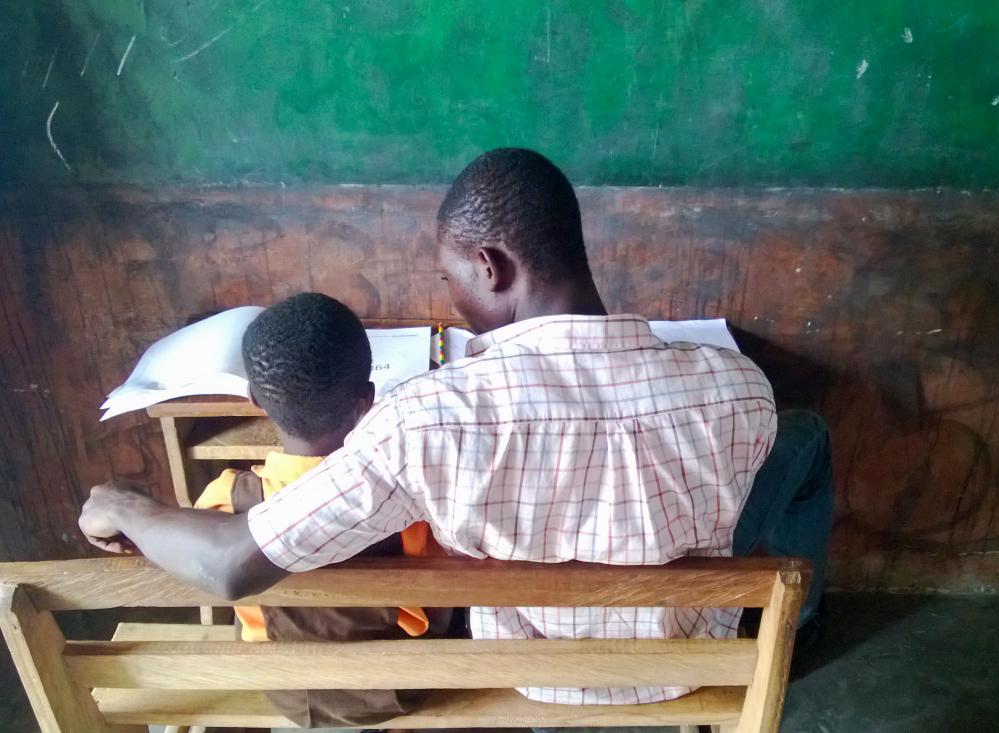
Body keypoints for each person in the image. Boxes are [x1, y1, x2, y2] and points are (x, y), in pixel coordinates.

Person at [80, 148, 831, 707]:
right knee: (805, 438)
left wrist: (125, 505)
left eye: (451, 277)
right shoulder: (737, 386)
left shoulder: (427, 421)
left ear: (491, 264)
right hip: (688, 664)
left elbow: (231, 562)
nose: (453, 295)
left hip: (544, 687)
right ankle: (789, 634)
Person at [194, 291, 449, 728]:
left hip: (285, 691)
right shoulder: (410, 507)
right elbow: (439, 613)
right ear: (367, 400)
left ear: (255, 400)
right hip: (397, 687)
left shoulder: (223, 500)